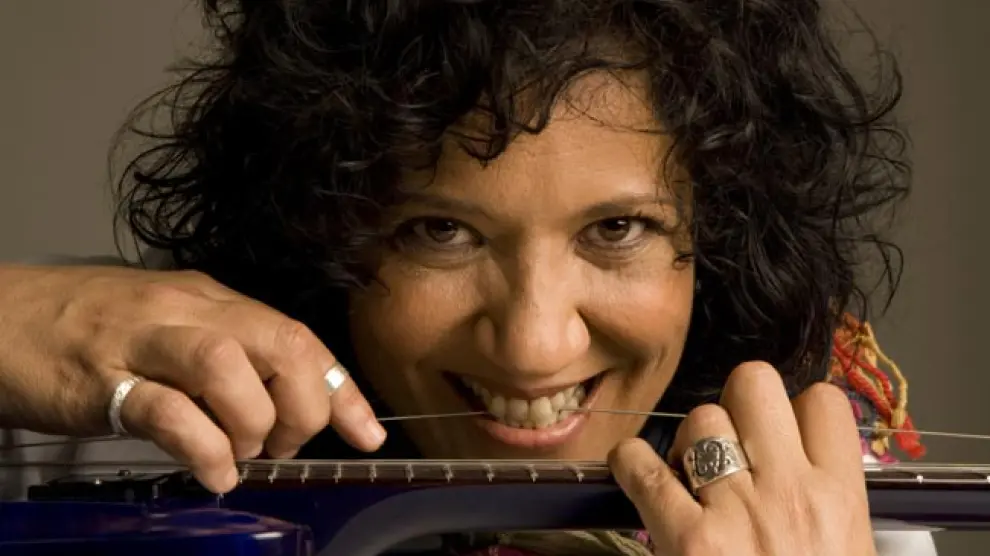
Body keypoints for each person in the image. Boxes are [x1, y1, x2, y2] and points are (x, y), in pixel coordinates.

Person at [0, 0, 939, 554]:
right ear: (322, 229)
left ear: (723, 230)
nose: (534, 346)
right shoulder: (145, 420)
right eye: (440, 231)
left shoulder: (824, 514)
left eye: (618, 229)